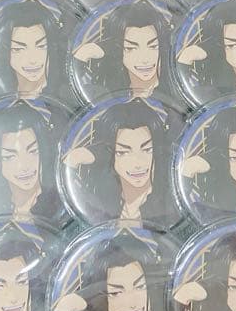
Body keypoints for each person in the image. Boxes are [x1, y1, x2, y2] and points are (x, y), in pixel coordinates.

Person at [63, 98, 179, 228]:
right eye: (123, 152)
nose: (138, 164)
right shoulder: (101, 202)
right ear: (109, 154)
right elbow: (71, 161)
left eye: (147, 149)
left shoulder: (169, 200)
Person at [0, 0, 76, 106]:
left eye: (41, 46)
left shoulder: (67, 92)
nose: (33, 60)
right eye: (18, 49)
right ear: (3, 51)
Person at [71, 0, 177, 103]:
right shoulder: (109, 92)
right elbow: (78, 61)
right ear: (117, 49)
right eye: (131, 48)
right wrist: (92, 49)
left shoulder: (174, 90)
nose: (145, 59)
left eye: (153, 46)